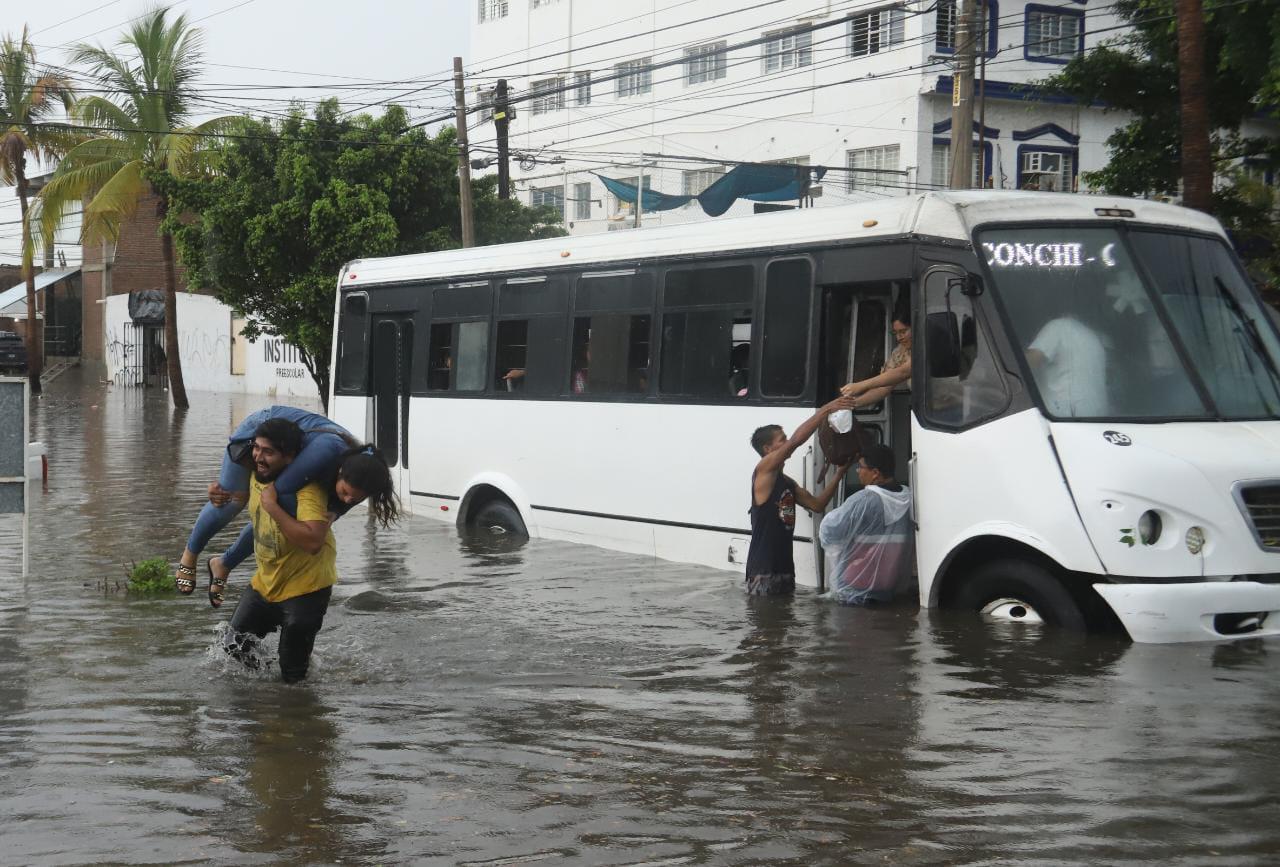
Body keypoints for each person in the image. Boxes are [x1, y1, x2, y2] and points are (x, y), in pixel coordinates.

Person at [174, 405, 397, 607]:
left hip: (291, 448)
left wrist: (336, 511)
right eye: (346, 493)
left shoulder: (358, 477)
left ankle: (222, 564)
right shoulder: (325, 452)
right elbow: (269, 491)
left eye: (356, 500)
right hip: (263, 431)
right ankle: (189, 555)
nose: (348, 500)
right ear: (340, 472)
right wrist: (220, 485)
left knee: (281, 513)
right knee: (234, 500)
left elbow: (339, 503)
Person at [222, 418, 339, 683]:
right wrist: (218, 493)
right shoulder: (255, 472)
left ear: (290, 458)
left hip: (306, 589)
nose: (258, 457)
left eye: (268, 452)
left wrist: (273, 506)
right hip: (265, 584)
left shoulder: (307, 489)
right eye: (257, 448)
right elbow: (234, 496)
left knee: (293, 676)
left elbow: (312, 542)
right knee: (233, 646)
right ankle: (259, 698)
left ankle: (295, 714)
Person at [745, 396, 856, 596]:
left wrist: (839, 474)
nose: (787, 442)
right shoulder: (763, 471)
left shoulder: (788, 483)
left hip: (785, 568)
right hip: (763, 571)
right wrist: (825, 409)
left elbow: (817, 505)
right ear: (768, 450)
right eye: (782, 440)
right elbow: (797, 441)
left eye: (786, 439)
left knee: (782, 623)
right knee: (766, 625)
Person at [818, 444, 913, 606]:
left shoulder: (864, 500)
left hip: (854, 588)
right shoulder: (908, 496)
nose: (857, 471)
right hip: (889, 585)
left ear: (875, 473)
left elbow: (830, 530)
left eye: (860, 467)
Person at [1025, 314, 1108, 416]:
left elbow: (1028, 363)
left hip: (1064, 415)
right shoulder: (1095, 338)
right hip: (1096, 416)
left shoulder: (1059, 326)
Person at [841, 317, 912, 407]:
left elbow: (903, 372)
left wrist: (861, 386)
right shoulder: (900, 352)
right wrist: (852, 404)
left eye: (903, 332)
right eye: (895, 333)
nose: (899, 338)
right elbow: (884, 386)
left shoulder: (925, 346)